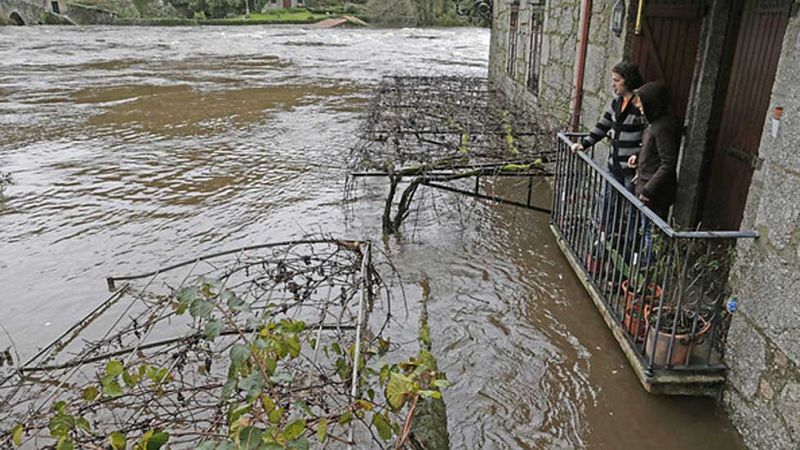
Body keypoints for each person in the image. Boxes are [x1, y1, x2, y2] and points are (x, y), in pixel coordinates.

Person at [571, 61, 647, 190]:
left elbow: (648, 137)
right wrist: (584, 144)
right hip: (614, 165)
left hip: (631, 169)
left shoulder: (640, 107)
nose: (613, 84)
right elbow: (602, 126)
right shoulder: (617, 103)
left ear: (627, 81)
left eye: (617, 80)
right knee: (606, 203)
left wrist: (639, 156)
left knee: (628, 207)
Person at [631, 82, 680, 219]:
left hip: (655, 195)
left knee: (650, 233)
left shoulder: (663, 127)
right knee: (645, 230)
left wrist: (648, 190)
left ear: (651, 103)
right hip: (646, 188)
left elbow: (668, 163)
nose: (639, 106)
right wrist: (637, 158)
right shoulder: (654, 124)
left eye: (641, 103)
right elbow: (652, 150)